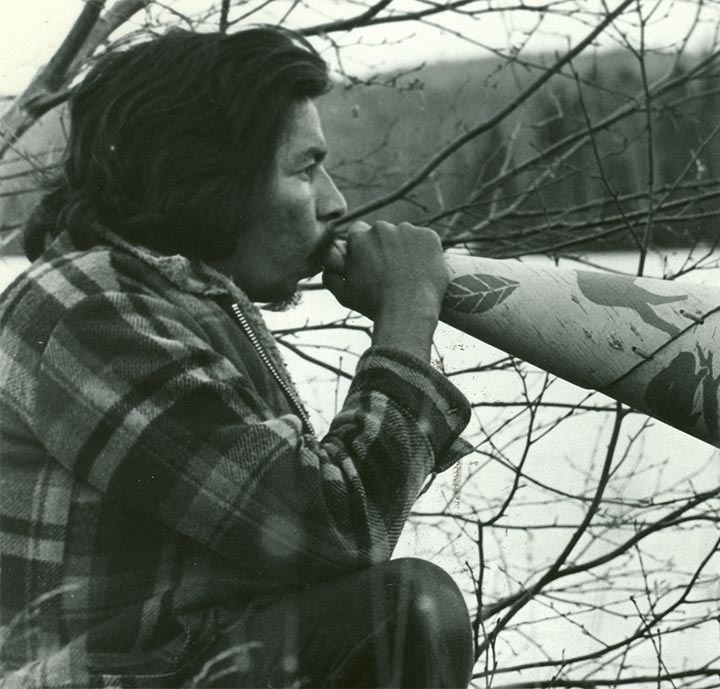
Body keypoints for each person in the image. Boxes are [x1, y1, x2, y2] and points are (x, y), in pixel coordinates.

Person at [0, 26, 475, 688]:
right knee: (406, 610)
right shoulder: (86, 307)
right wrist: (407, 315)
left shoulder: (172, 299)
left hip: (173, 666)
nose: (335, 202)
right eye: (305, 168)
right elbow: (333, 528)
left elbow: (309, 539)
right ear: (211, 175)